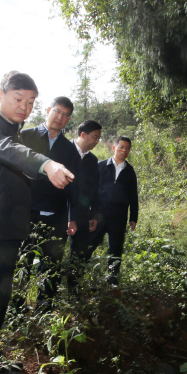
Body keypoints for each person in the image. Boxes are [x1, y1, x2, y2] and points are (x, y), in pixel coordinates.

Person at [0, 71, 74, 374]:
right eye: (18, 99)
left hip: (7, 227)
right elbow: (9, 151)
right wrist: (46, 163)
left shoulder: (12, 128)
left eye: (30, 103)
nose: (24, 108)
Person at [20, 97, 80, 311]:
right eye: (57, 111)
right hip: (25, 213)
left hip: (57, 215)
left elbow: (74, 186)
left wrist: (72, 217)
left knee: (51, 265)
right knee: (21, 263)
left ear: (69, 120)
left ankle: (44, 312)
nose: (60, 117)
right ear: (47, 110)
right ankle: (17, 311)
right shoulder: (25, 136)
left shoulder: (69, 149)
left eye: (65, 115)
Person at [89, 136, 138, 285]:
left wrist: (133, 217)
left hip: (119, 216)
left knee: (115, 249)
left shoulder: (130, 171)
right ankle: (79, 275)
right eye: (121, 147)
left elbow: (133, 195)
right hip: (98, 214)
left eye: (127, 148)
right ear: (114, 148)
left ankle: (112, 280)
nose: (124, 150)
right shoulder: (100, 166)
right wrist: (91, 213)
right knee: (89, 245)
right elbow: (91, 191)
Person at [67, 120, 102, 294]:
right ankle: (47, 301)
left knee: (79, 254)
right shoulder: (65, 151)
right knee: (52, 254)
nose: (96, 141)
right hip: (62, 212)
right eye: (94, 137)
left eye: (99, 138)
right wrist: (69, 217)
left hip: (83, 214)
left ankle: (74, 291)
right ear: (83, 134)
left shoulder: (92, 160)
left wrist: (94, 214)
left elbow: (94, 190)